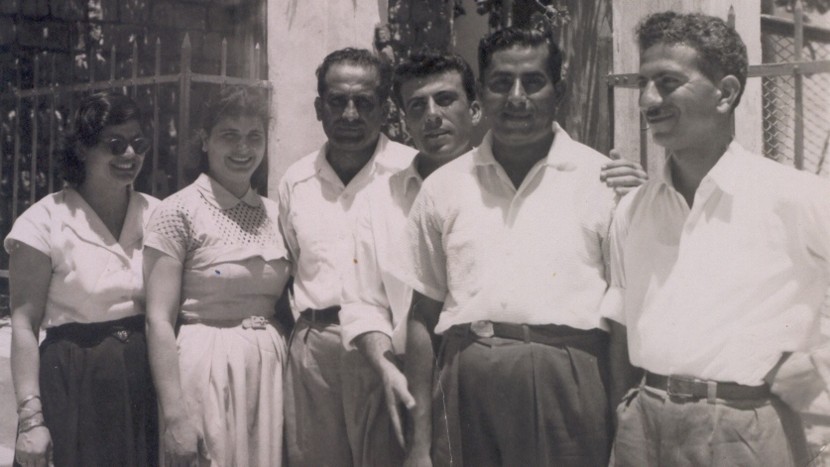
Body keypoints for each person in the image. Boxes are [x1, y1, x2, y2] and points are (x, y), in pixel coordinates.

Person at [399, 26, 644, 467]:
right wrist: (418, 445)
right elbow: (422, 314)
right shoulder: (443, 188)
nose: (516, 97)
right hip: (466, 381)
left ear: (560, 91)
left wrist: (624, 433)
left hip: (568, 385)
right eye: (500, 83)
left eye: (533, 82)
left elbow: (624, 323)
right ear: (481, 95)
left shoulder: (603, 182)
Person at [603, 11, 830, 466]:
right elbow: (621, 330)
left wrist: (822, 365)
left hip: (746, 430)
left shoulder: (797, 196)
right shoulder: (633, 209)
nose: (648, 100)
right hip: (643, 426)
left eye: (668, 82)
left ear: (725, 93)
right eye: (643, 83)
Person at [339, 51, 482, 460]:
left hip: (482, 384)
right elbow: (362, 302)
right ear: (403, 120)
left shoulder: (502, 190)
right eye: (417, 106)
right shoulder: (377, 200)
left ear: (474, 109)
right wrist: (385, 368)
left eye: (445, 100)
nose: (432, 115)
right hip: (402, 383)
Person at [278, 47, 417, 467]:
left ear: (385, 108)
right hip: (315, 353)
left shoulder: (412, 172)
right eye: (337, 101)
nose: (350, 115)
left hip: (388, 351)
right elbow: (292, 260)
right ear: (320, 107)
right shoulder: (296, 180)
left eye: (364, 102)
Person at [5, 91, 159, 467]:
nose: (130, 155)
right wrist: (31, 420)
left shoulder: (158, 215)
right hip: (74, 384)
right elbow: (24, 324)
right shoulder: (44, 221)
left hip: (141, 381)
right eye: (115, 144)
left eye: (138, 144)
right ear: (82, 149)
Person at [144, 85, 290, 466]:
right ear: (205, 141)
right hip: (205, 367)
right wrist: (175, 416)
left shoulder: (278, 215)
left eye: (253, 137)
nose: (243, 149)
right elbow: (158, 319)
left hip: (270, 369)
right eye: (229, 136)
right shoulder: (178, 212)